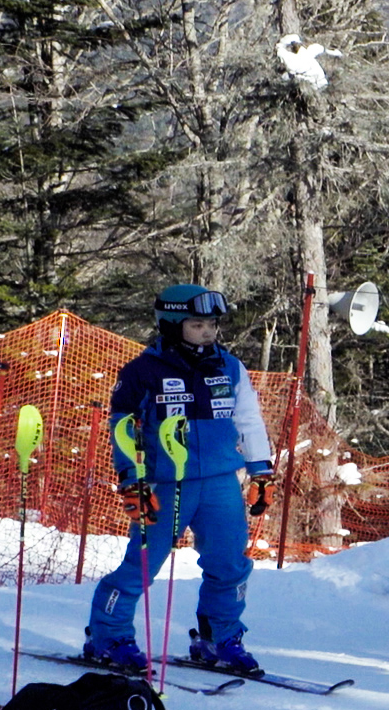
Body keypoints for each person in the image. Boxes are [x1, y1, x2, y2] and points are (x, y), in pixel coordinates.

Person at [85, 285, 274, 675]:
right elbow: (123, 428)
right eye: (197, 324)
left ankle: (219, 638)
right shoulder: (142, 373)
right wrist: (131, 482)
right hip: (165, 484)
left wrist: (261, 470)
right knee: (140, 566)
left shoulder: (229, 367)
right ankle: (108, 636)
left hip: (220, 481)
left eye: (212, 324)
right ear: (172, 325)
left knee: (230, 564)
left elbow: (249, 421)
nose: (208, 332)